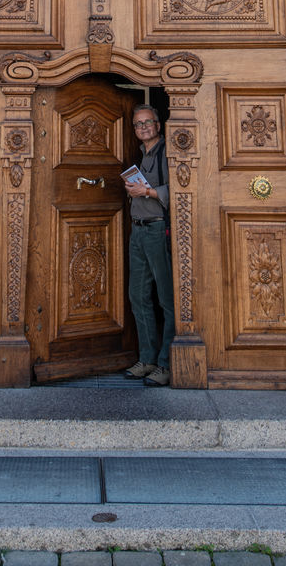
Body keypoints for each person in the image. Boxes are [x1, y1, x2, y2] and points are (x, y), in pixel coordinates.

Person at [122, 105, 176, 387]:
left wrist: (149, 192)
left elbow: (181, 187)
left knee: (167, 299)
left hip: (158, 229)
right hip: (139, 231)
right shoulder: (143, 155)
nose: (143, 127)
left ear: (158, 125)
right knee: (138, 296)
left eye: (147, 122)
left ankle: (166, 364)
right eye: (137, 124)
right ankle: (147, 359)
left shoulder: (168, 151)